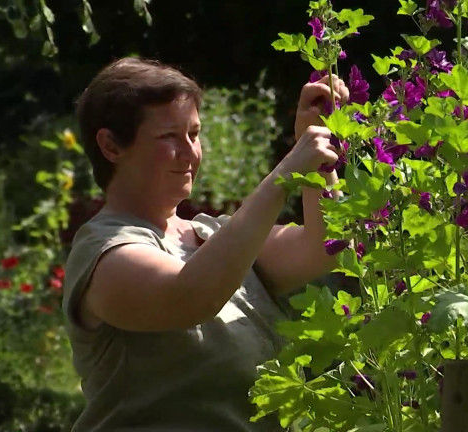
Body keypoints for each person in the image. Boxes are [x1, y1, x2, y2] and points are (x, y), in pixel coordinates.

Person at [62, 57, 349, 431]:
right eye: (169, 137)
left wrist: (318, 153)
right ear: (111, 146)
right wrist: (285, 174)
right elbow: (191, 296)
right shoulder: (104, 252)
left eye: (194, 134)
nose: (190, 152)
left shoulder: (217, 236)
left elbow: (327, 246)